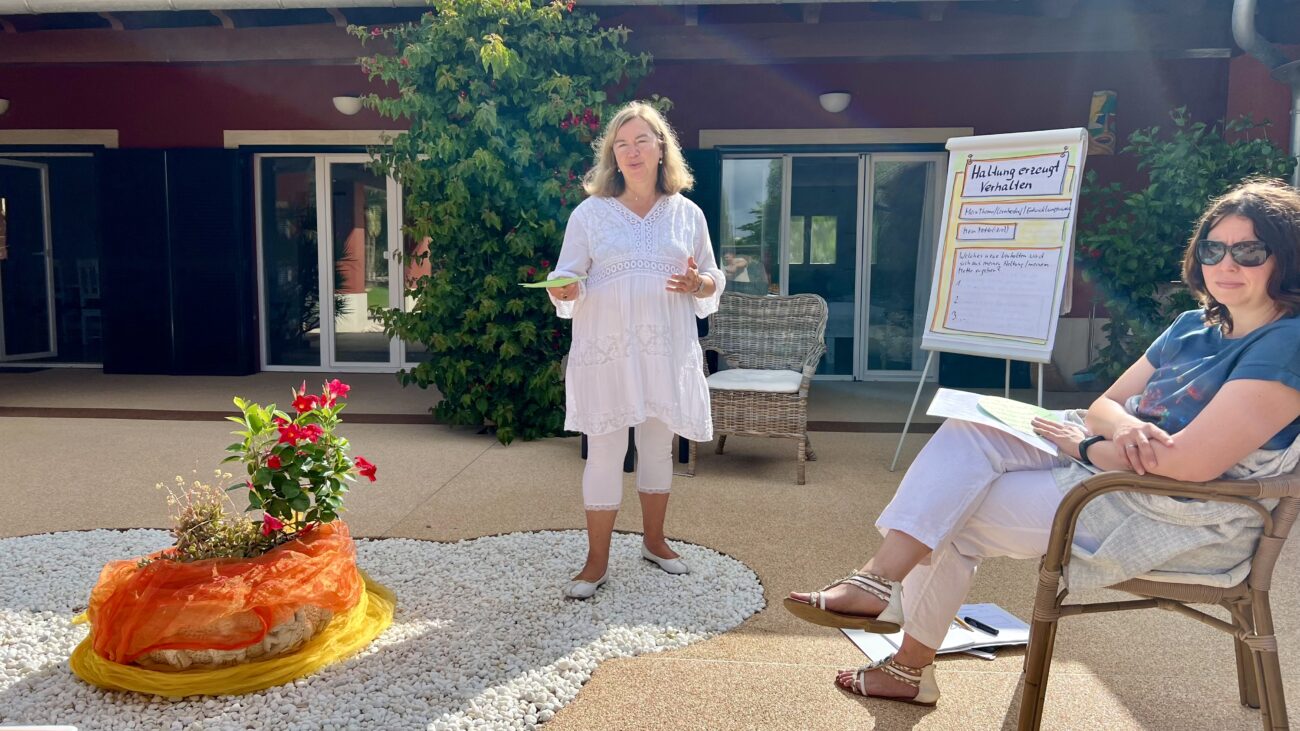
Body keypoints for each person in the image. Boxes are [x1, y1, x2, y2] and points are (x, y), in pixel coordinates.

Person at [785, 178, 1300, 705]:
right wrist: (1120, 428)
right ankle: (877, 583)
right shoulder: (1194, 325)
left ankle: (906, 664)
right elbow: (1106, 403)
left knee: (948, 513)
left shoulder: (1287, 343)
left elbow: (1188, 465)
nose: (1226, 263)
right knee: (971, 427)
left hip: (1171, 509)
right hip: (1116, 467)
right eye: (1214, 248)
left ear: (1285, 259)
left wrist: (1087, 447)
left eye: (1250, 250)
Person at [544, 101, 724, 599]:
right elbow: (569, 276)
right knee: (604, 451)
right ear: (612, 156)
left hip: (666, 349)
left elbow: (714, 276)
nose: (631, 151)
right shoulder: (590, 213)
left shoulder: (687, 213)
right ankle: (595, 562)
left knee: (656, 447)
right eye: (621, 144)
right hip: (608, 349)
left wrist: (699, 281)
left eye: (641, 140)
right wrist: (562, 290)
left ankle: (655, 541)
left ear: (661, 146)